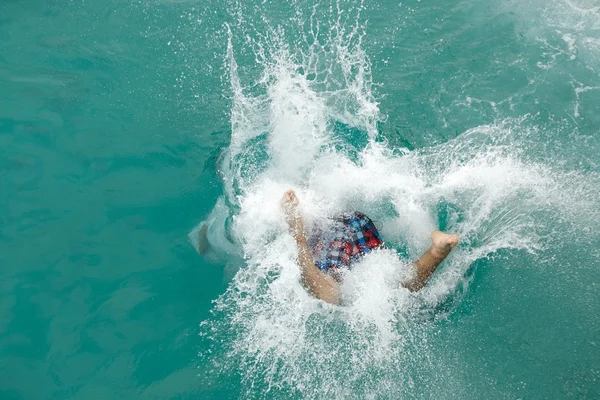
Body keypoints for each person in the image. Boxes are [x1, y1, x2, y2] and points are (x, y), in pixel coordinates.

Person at [280, 189, 459, 305]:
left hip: (338, 229)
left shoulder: (323, 225)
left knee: (329, 294)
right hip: (361, 226)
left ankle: (297, 231)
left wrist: (298, 232)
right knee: (394, 284)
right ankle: (435, 252)